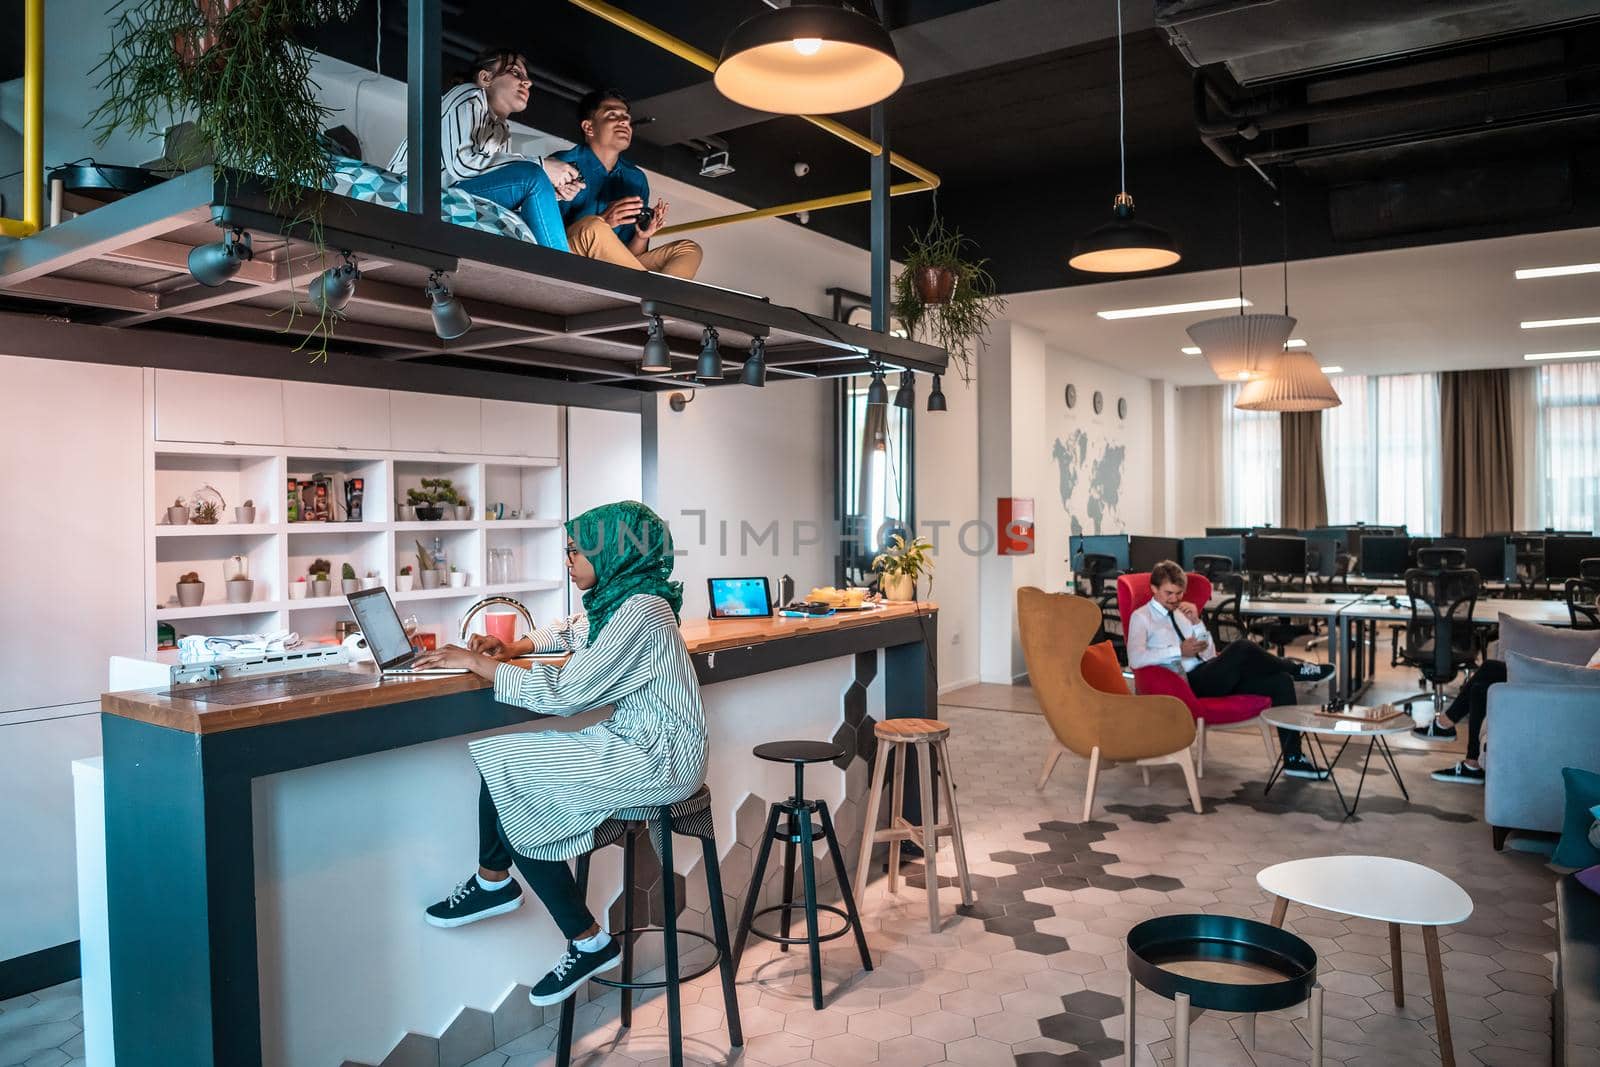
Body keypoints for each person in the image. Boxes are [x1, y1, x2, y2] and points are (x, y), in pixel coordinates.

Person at [411, 500, 707, 1008]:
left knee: (509, 770)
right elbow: (573, 629)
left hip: (662, 758)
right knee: (502, 757)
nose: (567, 560)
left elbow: (568, 694)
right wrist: (517, 647)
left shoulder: (641, 611)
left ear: (611, 552)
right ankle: (501, 883)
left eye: (575, 550)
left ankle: (567, 927)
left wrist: (477, 665)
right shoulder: (625, 598)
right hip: (638, 742)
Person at [1127, 560, 1334, 780]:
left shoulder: (1182, 612)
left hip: (1209, 673)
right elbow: (1135, 658)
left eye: (1179, 593)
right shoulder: (1141, 618)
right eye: (1169, 593)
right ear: (1154, 589)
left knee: (1280, 681)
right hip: (1189, 685)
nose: (1175, 599)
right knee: (1242, 646)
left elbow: (1209, 654)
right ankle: (1297, 669)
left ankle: (1293, 759)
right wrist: (1177, 651)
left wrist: (1197, 622)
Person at [388, 49, 583, 251]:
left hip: (448, 196)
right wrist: (542, 167)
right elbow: (463, 165)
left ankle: (553, 270)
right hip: (412, 197)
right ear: (485, 78)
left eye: (527, 78)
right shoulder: (467, 94)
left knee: (532, 183)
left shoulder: (501, 130)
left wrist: (552, 192)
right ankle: (564, 272)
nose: (528, 82)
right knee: (531, 176)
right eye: (516, 73)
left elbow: (503, 193)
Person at [550, 89, 704, 279]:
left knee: (688, 249)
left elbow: (631, 257)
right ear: (589, 128)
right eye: (612, 114)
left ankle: (654, 297)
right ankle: (651, 296)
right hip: (567, 259)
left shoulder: (635, 178)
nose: (624, 121)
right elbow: (546, 237)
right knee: (593, 226)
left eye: (626, 117)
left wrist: (642, 236)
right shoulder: (561, 164)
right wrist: (605, 221)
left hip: (614, 270)